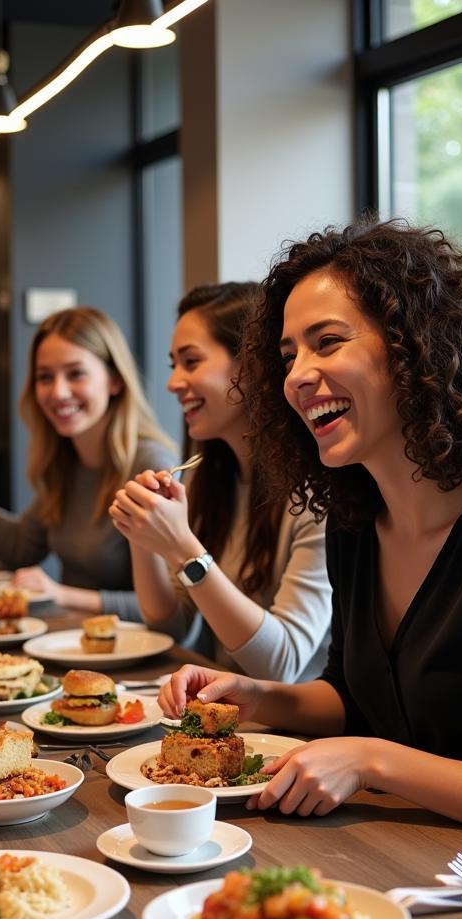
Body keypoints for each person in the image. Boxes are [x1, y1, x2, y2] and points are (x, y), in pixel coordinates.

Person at [161, 220, 462, 859]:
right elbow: (355, 698)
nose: (298, 377)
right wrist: (258, 699)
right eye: (287, 357)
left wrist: (374, 763)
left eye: (327, 342)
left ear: (419, 347)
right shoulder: (357, 519)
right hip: (402, 856)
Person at [108, 282, 331, 681]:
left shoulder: (317, 493)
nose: (173, 383)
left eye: (191, 362)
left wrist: (182, 548)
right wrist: (143, 538)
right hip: (223, 717)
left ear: (251, 367)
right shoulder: (209, 482)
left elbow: (283, 664)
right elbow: (169, 630)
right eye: (173, 365)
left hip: (297, 735)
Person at [0, 306, 176, 617]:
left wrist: (60, 594)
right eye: (45, 377)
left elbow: (171, 613)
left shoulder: (152, 466)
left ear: (115, 381)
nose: (58, 391)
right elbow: (20, 547)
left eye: (76, 373)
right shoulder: (67, 462)